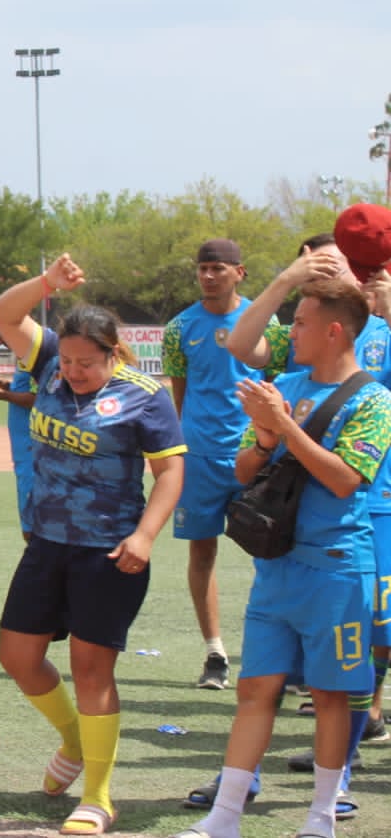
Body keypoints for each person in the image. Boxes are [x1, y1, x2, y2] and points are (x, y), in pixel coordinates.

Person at [176, 277, 391, 838]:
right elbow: (244, 470)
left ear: (334, 331)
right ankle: (224, 817)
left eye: (299, 322)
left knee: (331, 695)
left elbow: (345, 480)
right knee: (255, 689)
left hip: (336, 568)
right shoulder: (285, 384)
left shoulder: (374, 400)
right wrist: (265, 440)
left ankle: (320, 819)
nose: (289, 332)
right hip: (277, 567)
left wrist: (285, 424)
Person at [0, 253, 185, 837]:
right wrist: (46, 283)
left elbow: (170, 472)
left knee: (92, 671)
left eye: (87, 363)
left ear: (113, 354)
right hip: (46, 542)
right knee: (16, 657)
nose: (73, 371)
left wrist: (144, 536)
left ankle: (98, 796)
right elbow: (4, 314)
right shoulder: (48, 362)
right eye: (69, 361)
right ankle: (74, 739)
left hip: (109, 551)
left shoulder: (145, 396)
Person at [162, 238, 279, 692]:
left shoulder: (264, 322)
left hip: (255, 454)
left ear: (239, 272)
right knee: (202, 551)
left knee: (272, 552)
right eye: (203, 268)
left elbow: (276, 385)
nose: (209, 276)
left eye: (218, 268)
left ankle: (275, 655)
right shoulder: (180, 327)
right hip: (201, 457)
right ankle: (215, 653)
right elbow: (180, 393)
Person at [0, 304, 38, 535]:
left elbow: (40, 398)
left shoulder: (39, 354)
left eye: (0, 335)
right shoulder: (25, 354)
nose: (0, 342)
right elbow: (28, 390)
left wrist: (1, 395)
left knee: (34, 530)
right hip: (25, 454)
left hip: (37, 455)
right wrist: (2, 384)